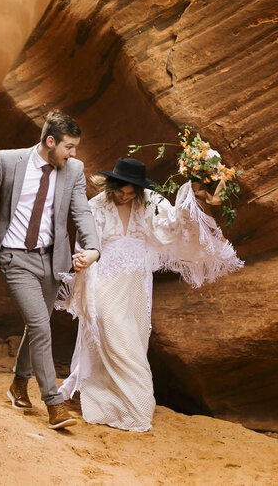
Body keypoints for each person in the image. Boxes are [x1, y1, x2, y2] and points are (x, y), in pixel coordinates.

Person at [57, 157, 243, 432]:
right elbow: (84, 240)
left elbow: (174, 224)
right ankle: (136, 404)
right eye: (120, 190)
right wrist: (83, 260)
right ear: (111, 185)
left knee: (133, 339)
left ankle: (126, 404)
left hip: (135, 283)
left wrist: (193, 190)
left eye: (131, 193)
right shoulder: (95, 206)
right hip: (104, 278)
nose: (125, 196)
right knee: (110, 329)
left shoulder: (150, 202)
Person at [0, 110, 101, 430]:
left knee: (38, 325)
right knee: (40, 326)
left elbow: (82, 212)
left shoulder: (73, 170)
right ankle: (54, 404)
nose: (73, 154)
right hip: (15, 257)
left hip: (51, 261)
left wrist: (93, 248)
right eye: (69, 147)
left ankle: (19, 383)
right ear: (50, 142)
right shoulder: (9, 161)